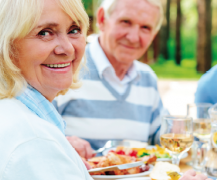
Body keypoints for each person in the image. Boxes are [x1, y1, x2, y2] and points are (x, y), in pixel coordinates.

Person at [0, 0, 105, 180]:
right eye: (45, 33)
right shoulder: (31, 140)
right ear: (4, 43)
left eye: (74, 29)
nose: (68, 48)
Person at [54, 0, 168, 150]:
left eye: (145, 28)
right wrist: (62, 144)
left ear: (153, 35)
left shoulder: (147, 78)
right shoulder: (64, 67)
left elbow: (165, 138)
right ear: (102, 19)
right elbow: (34, 135)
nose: (133, 37)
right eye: (125, 22)